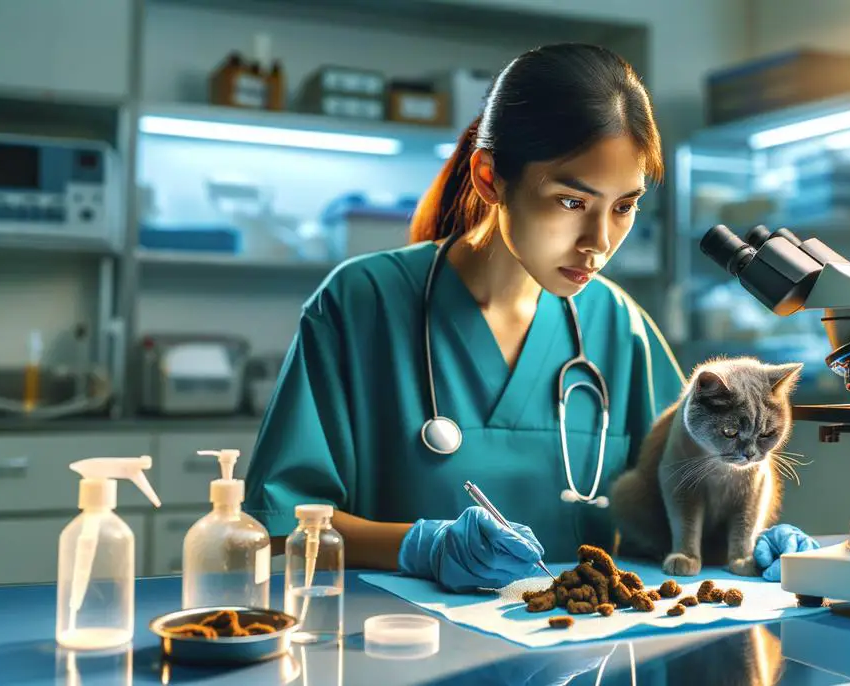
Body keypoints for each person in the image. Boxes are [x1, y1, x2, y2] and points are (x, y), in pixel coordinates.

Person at [243, 43, 815, 593]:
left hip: (580, 653)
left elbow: (692, 487)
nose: (599, 242)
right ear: (490, 177)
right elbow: (278, 530)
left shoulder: (618, 325)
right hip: (399, 649)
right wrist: (422, 547)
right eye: (572, 202)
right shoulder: (359, 303)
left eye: (624, 207)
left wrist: (756, 538)